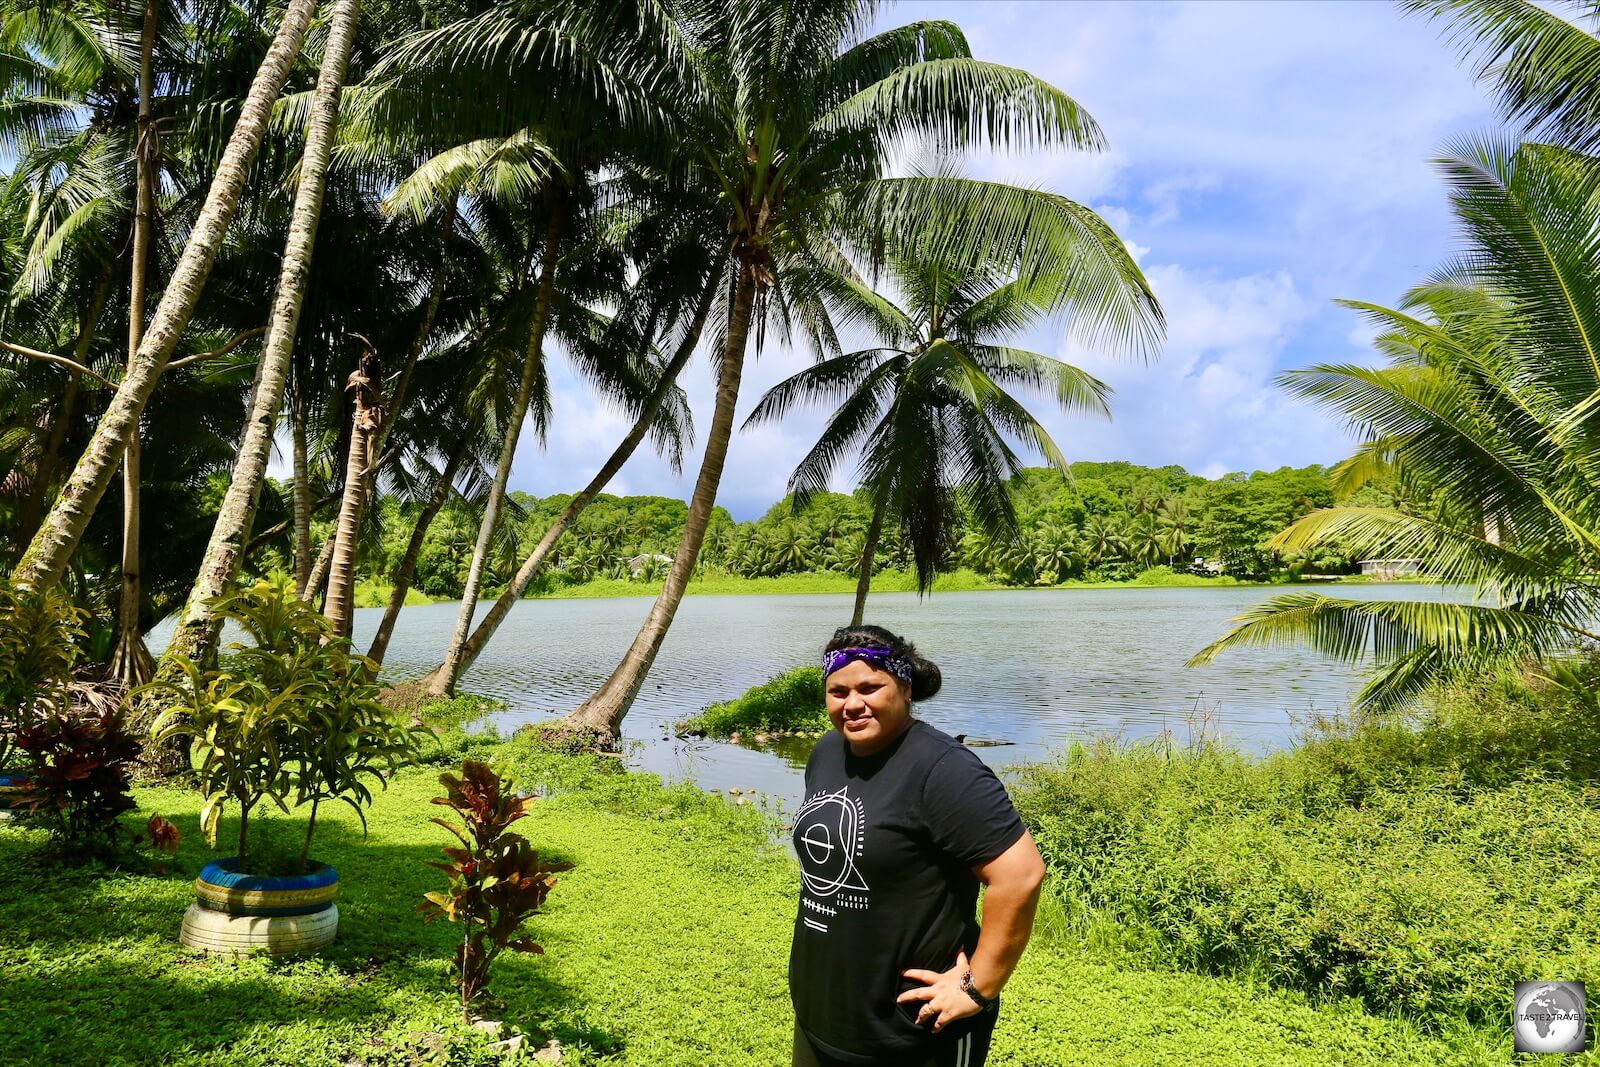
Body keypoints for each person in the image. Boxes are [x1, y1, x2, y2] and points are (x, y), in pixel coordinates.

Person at [789, 624, 1046, 1067]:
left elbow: (1020, 875)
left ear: (905, 688)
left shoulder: (943, 769)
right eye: (838, 691)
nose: (852, 704)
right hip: (822, 1018)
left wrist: (978, 987)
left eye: (870, 687)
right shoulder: (828, 752)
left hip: (912, 1032)